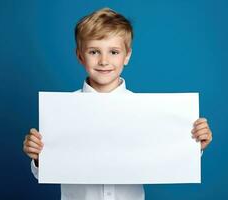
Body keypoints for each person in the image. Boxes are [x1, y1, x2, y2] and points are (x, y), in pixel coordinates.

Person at [23, 7, 213, 200]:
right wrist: (39, 157)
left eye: (113, 52)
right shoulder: (61, 111)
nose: (104, 61)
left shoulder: (147, 111)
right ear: (80, 56)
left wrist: (193, 145)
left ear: (127, 56)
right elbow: (46, 171)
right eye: (94, 51)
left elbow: (164, 156)